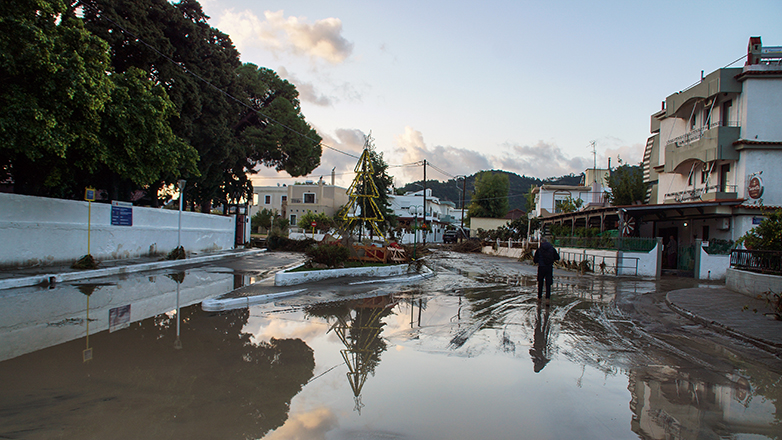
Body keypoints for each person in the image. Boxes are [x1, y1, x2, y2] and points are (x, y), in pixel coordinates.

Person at [533, 236, 560, 301]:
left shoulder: (539, 249)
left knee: (540, 283)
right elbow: (557, 257)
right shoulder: (552, 249)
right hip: (549, 267)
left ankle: (539, 297)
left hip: (541, 267)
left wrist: (539, 261)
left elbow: (535, 260)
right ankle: (547, 298)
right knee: (548, 283)